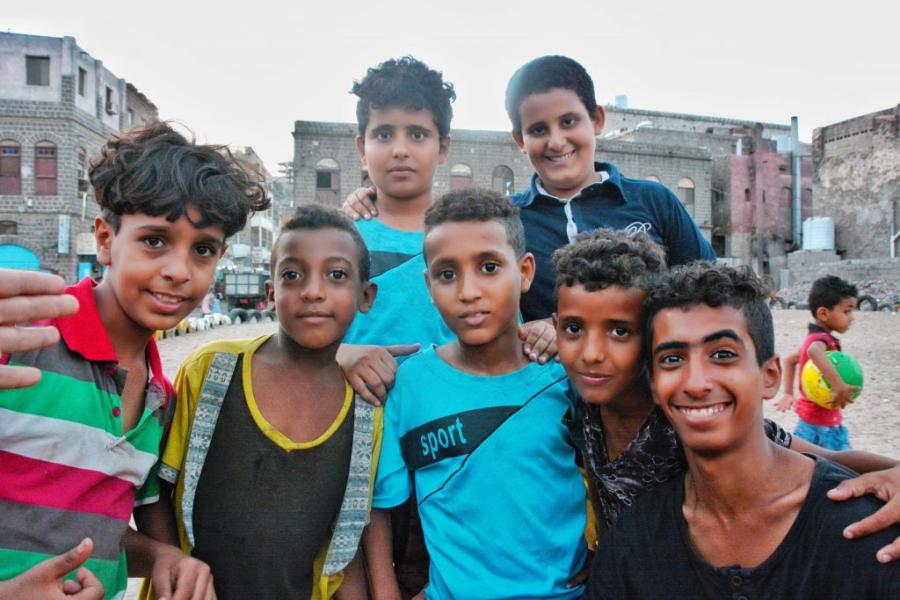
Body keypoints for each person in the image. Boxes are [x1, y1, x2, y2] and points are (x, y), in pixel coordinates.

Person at [0, 122, 269, 600]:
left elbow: (93, 528)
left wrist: (164, 556)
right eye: (154, 240)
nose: (177, 270)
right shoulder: (24, 339)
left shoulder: (159, 396)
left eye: (202, 250)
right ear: (105, 239)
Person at [553, 230, 900, 560]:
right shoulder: (580, 399)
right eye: (574, 329)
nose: (592, 353)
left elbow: (820, 458)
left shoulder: (686, 412)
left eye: (619, 331)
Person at [137, 206, 382, 600]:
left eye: (336, 275)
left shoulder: (367, 407)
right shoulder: (211, 372)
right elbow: (153, 491)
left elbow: (344, 544)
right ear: (270, 293)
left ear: (365, 295)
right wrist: (177, 573)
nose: (313, 291)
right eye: (292, 275)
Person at [365, 189, 588, 599]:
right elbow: (380, 507)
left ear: (524, 272)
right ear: (428, 285)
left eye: (489, 267)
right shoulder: (409, 385)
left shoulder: (565, 374)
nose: (469, 291)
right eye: (447, 274)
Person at [505, 54, 715, 322]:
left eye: (569, 122)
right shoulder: (508, 221)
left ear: (597, 120)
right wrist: (539, 330)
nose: (556, 142)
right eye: (538, 130)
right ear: (519, 139)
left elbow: (710, 295)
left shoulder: (654, 201)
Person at [777, 275, 859, 450]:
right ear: (823, 313)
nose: (851, 317)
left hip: (814, 420)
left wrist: (788, 393)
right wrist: (839, 386)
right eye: (847, 311)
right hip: (821, 425)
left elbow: (790, 360)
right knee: (841, 467)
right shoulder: (821, 341)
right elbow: (814, 352)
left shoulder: (814, 337)